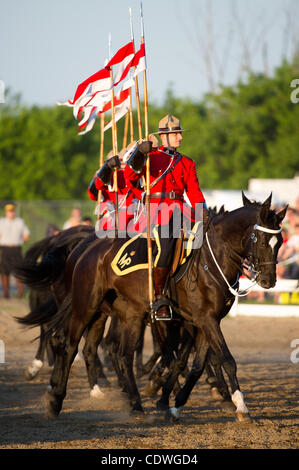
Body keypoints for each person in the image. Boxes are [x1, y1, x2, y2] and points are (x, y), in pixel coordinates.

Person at [124, 114, 206, 319]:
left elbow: (194, 192)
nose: (180, 137)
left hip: (181, 208)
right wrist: (138, 154)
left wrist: (204, 211)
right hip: (156, 210)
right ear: (164, 136)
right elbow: (129, 177)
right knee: (168, 240)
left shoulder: (187, 162)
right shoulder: (150, 157)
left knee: (207, 239)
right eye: (176, 133)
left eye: (179, 133)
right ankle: (159, 296)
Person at [0, 203, 30, 298]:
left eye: (12, 211)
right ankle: (6, 293)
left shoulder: (20, 221)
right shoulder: (2, 222)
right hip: (5, 249)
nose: (11, 213)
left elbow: (26, 235)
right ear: (6, 212)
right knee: (4, 272)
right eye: (9, 211)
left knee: (18, 271)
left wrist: (20, 240)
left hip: (16, 249)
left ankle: (20, 293)